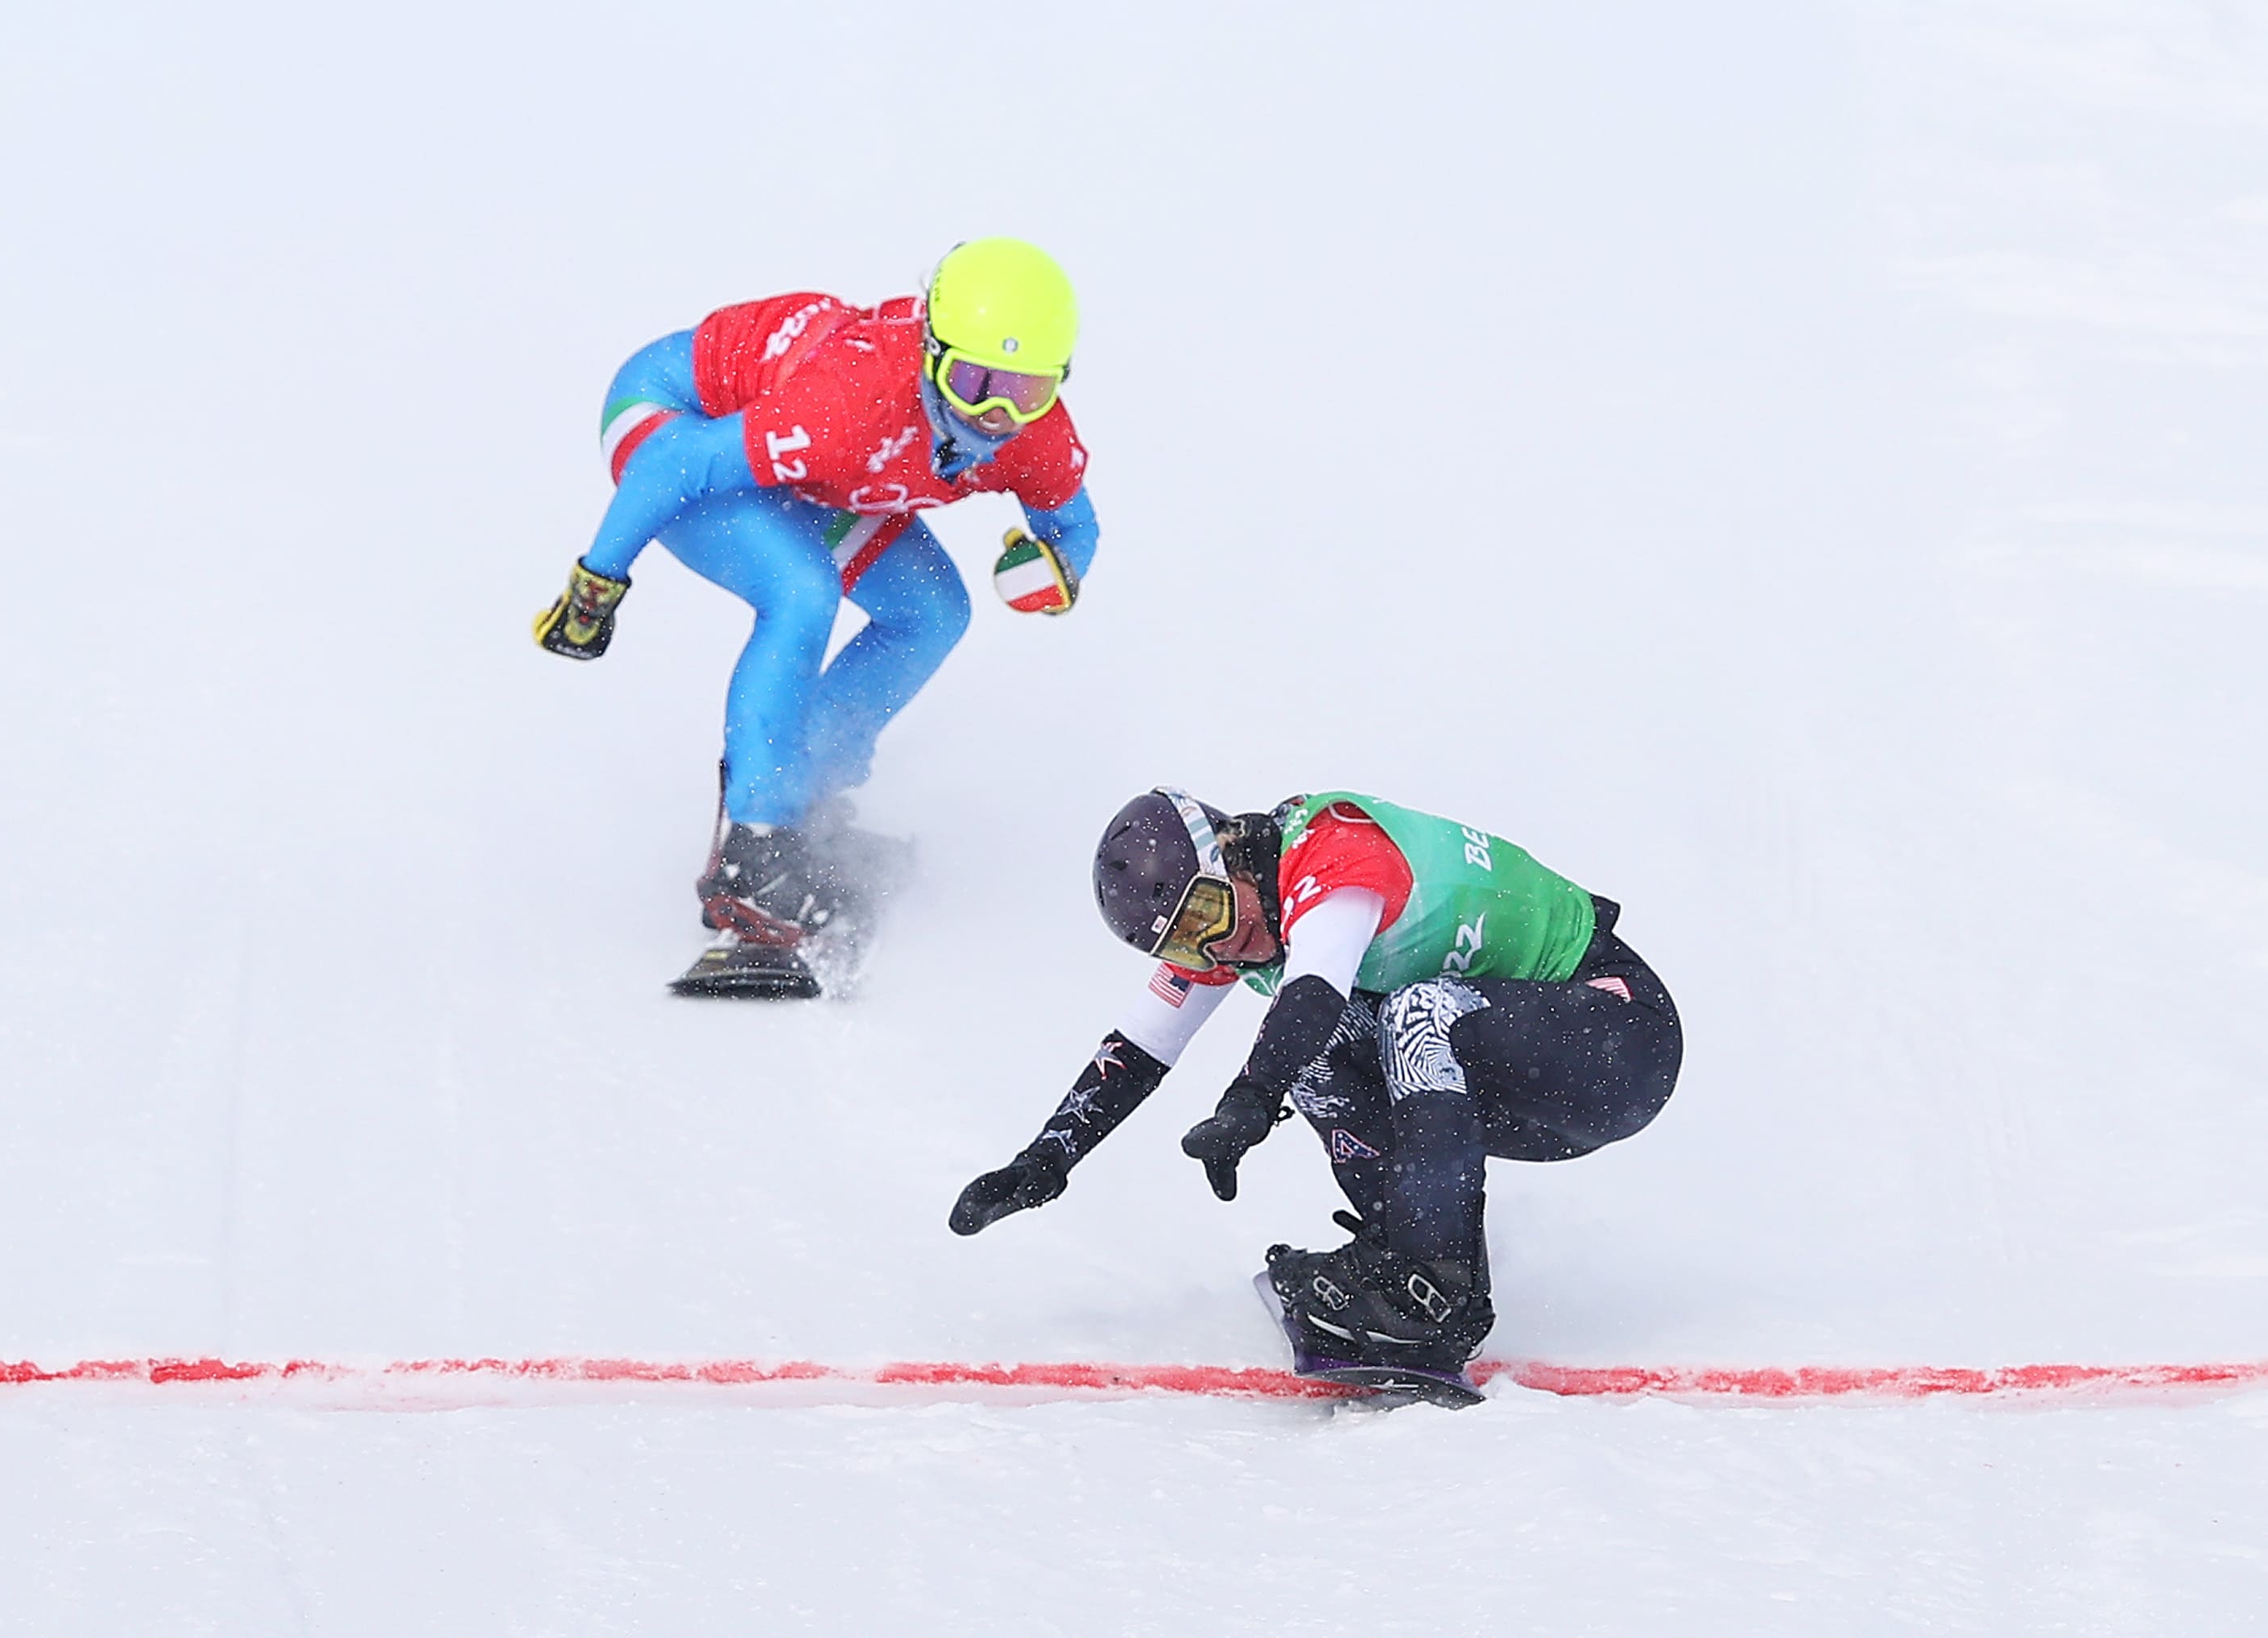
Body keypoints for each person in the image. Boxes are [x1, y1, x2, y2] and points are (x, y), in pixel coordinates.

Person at [949, 788, 1683, 1386]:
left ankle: (1429, 1282)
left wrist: (1249, 1101)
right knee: (1331, 1044)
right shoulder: (1233, 918)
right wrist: (1046, 1160)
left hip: (1618, 1044)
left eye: (1207, 915)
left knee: (1406, 1012)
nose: (1212, 947)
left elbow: (1312, 993)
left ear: (1233, 852)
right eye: (1181, 941)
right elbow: (1140, 1045)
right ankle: (1408, 1267)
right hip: (1520, 1079)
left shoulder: (1332, 854)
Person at [534, 238, 1098, 947]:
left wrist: (1058, 571)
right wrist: (597, 585)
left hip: (811, 465)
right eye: (974, 382)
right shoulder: (849, 401)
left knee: (932, 612)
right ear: (931, 350)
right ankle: (754, 847)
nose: (995, 416)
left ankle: (807, 806)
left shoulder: (1030, 434)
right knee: (803, 593)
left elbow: (1073, 524)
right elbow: (677, 463)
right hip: (672, 424)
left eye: (1028, 390)